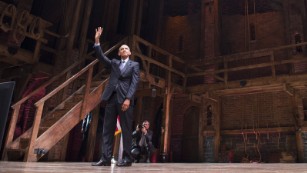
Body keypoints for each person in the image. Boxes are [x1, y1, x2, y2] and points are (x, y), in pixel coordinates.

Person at [91, 27, 140, 167]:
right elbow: (101, 57)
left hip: (125, 99)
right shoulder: (114, 63)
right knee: (107, 129)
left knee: (126, 129)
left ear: (130, 52)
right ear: (119, 53)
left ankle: (127, 158)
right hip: (111, 98)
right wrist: (97, 40)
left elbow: (134, 82)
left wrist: (128, 98)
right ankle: (105, 158)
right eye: (122, 49)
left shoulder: (134, 65)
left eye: (126, 48)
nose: (124, 49)